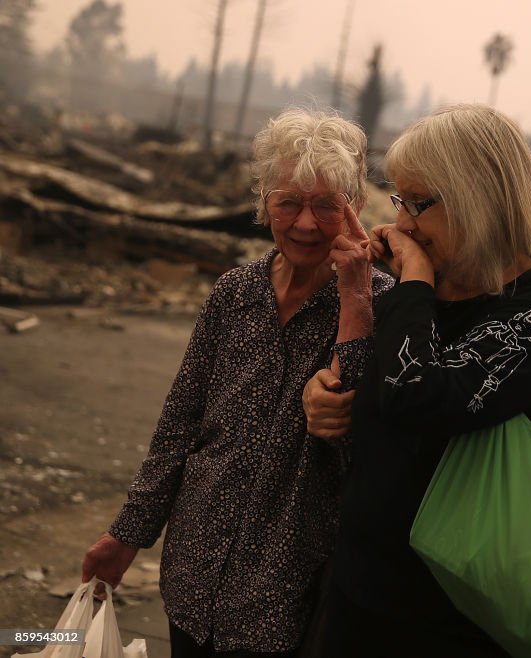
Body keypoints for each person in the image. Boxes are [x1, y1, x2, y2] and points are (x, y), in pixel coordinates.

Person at [80, 107, 392, 657]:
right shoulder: (235, 293)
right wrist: (128, 535)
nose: (305, 223)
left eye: (326, 205)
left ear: (356, 209)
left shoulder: (385, 305)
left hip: (289, 592)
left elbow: (364, 445)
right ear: (263, 201)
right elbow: (180, 425)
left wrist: (355, 299)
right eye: (288, 202)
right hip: (193, 576)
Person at [301, 103, 531, 656]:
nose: (404, 222)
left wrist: (412, 278)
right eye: (399, 202)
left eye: (418, 203)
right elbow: (378, 397)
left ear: (475, 195)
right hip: (359, 595)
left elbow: (420, 396)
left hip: (459, 615)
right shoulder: (423, 294)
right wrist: (327, 397)